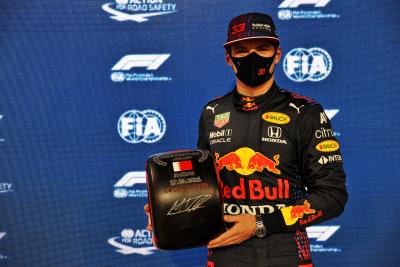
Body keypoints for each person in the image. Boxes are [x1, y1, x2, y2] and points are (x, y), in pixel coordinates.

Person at [146, 12, 348, 267]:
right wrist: (169, 212)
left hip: (286, 253)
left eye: (263, 48)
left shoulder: (305, 112)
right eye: (241, 50)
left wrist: (260, 224)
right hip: (226, 252)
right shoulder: (213, 113)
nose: (253, 57)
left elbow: (332, 196)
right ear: (229, 58)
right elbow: (206, 188)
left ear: (278, 54)